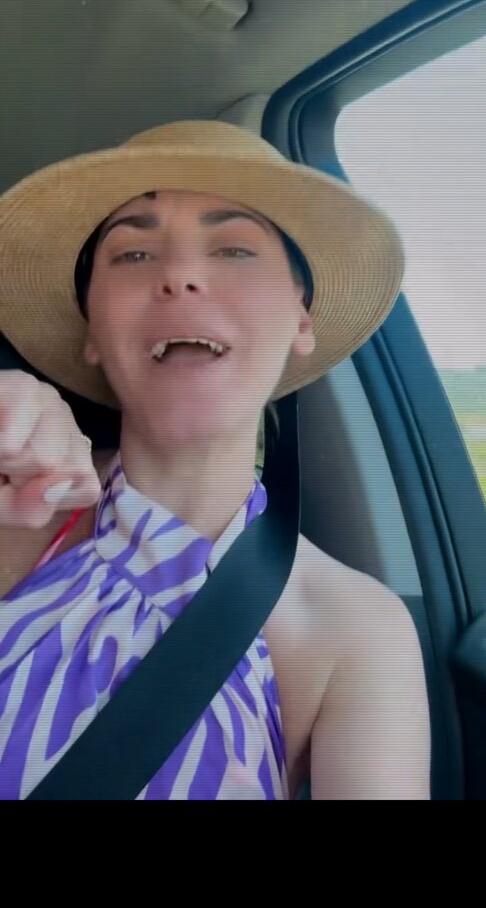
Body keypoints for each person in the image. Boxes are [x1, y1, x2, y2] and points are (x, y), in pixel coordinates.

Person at [0, 120, 431, 800]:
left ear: (300, 319)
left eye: (233, 249)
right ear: (91, 330)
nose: (179, 276)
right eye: (132, 254)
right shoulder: (19, 512)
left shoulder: (356, 631)